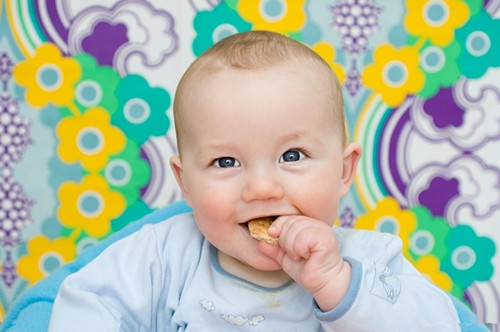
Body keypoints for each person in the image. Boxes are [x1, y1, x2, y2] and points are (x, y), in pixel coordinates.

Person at [48, 30, 463, 331]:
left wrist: (337, 282)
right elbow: (83, 306)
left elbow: (444, 326)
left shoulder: (372, 262)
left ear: (343, 170)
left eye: (292, 156)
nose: (262, 188)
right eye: (226, 161)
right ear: (185, 182)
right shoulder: (162, 257)